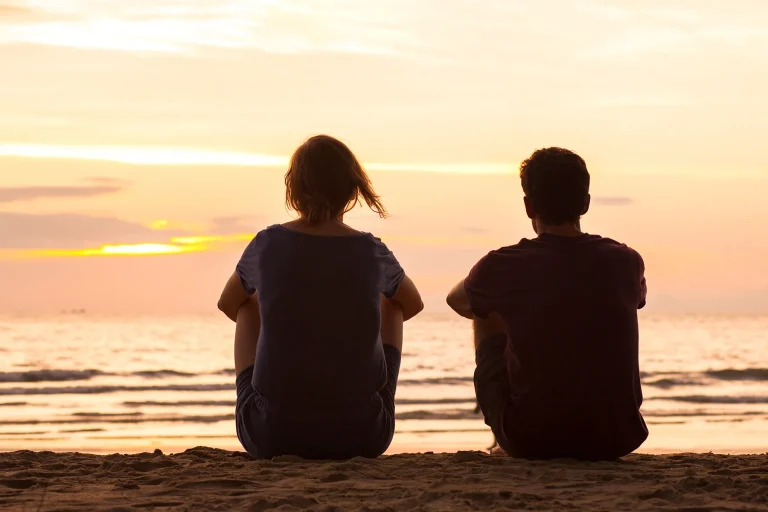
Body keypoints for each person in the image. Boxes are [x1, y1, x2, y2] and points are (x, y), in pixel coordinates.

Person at [218, 135, 423, 459]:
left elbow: (228, 303)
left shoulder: (267, 244)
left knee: (249, 304)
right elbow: (412, 303)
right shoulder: (371, 250)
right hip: (363, 436)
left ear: (293, 190)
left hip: (272, 435)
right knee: (391, 303)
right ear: (352, 191)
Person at [446, 147, 648, 461]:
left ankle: (503, 433)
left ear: (529, 206)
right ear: (586, 203)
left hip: (533, 440)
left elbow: (456, 301)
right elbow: (633, 301)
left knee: (484, 306)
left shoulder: (503, 264)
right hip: (618, 437)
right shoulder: (625, 260)